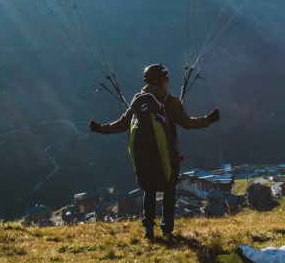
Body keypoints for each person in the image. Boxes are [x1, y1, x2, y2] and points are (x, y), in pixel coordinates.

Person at [89, 64, 220, 242]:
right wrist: (209, 120)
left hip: (144, 157)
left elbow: (121, 125)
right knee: (169, 191)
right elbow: (188, 123)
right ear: (159, 80)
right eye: (166, 79)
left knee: (149, 190)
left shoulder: (138, 101)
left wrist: (99, 128)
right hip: (168, 156)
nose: (168, 82)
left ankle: (148, 229)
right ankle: (167, 230)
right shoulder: (169, 100)